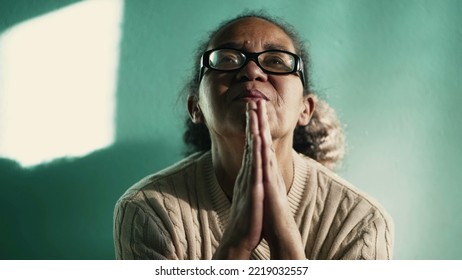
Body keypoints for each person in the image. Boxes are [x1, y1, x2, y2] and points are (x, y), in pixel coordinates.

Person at [113, 12, 394, 260]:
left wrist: (285, 242)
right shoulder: (148, 211)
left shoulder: (360, 222)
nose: (251, 70)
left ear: (305, 109)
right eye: (227, 59)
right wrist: (235, 245)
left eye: (276, 61)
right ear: (196, 107)